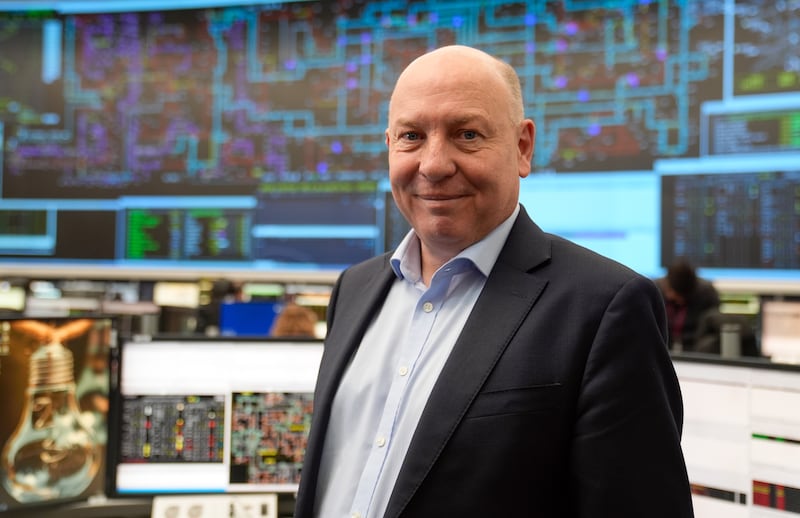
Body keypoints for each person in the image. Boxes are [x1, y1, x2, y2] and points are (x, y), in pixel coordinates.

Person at [294, 45, 693, 517]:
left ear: (522, 147)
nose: (434, 163)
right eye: (411, 136)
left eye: (467, 134)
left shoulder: (604, 308)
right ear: (389, 146)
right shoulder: (355, 290)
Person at [656, 259, 720, 351]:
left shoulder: (707, 294)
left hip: (696, 350)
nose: (679, 301)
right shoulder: (655, 291)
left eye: (681, 297)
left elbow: (710, 329)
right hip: (664, 348)